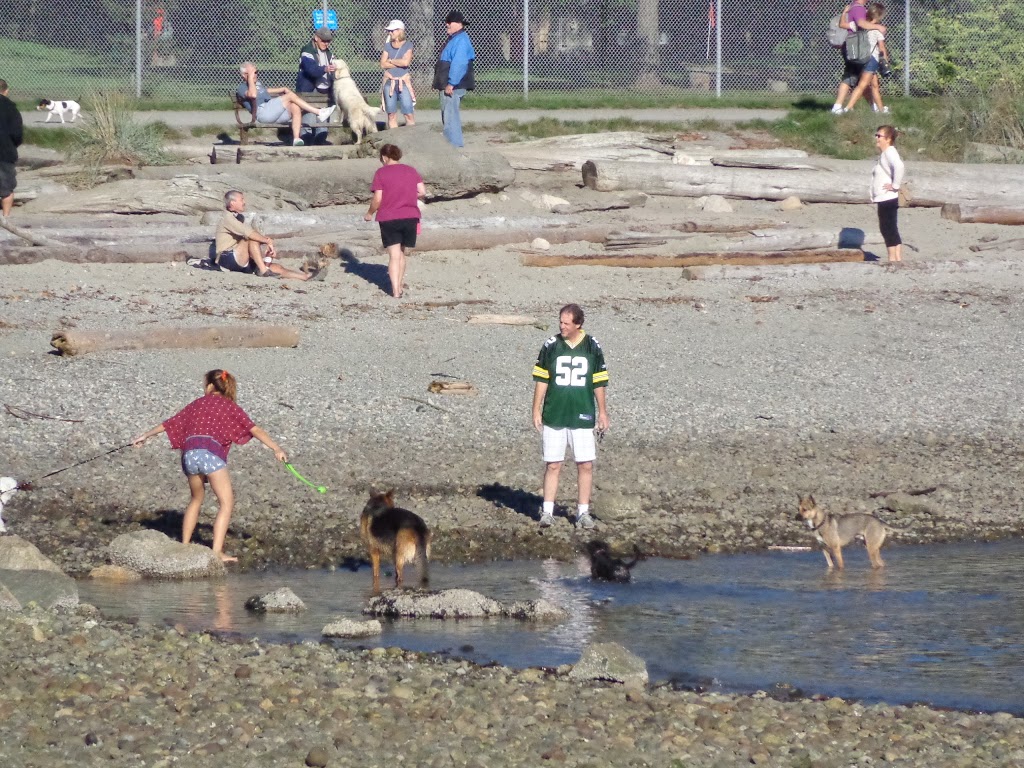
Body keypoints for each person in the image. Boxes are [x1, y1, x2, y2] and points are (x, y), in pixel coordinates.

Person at [131, 369, 287, 563]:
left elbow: (169, 423)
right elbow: (254, 429)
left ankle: (185, 545)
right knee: (226, 503)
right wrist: (276, 448)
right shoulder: (229, 406)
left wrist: (144, 436)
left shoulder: (196, 404)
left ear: (210, 386)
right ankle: (217, 552)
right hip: (210, 455)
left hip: (189, 455)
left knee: (196, 499)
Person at [531, 304, 609, 530]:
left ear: (578, 324)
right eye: (560, 322)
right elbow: (541, 379)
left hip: (582, 413)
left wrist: (603, 411)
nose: (561, 326)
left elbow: (599, 381)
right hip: (555, 413)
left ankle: (583, 512)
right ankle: (547, 511)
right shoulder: (551, 346)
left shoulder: (591, 346)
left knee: (585, 464)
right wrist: (536, 409)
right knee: (553, 464)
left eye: (566, 323)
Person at [215, 190, 322, 280]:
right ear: (232, 203)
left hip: (241, 258)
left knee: (277, 268)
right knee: (251, 238)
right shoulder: (227, 218)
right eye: (241, 199)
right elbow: (250, 234)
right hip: (227, 259)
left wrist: (265, 255)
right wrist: (268, 241)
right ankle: (263, 270)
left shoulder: (239, 217)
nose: (244, 202)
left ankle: (306, 277)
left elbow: (250, 240)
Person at [363, 143, 425, 298]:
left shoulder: (381, 173)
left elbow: (377, 199)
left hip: (389, 216)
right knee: (402, 254)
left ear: (384, 157)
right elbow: (422, 192)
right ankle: (400, 284)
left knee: (394, 255)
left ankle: (395, 290)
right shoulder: (411, 170)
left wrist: (370, 213)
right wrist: (407, 196)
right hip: (410, 215)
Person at [237, 61, 336, 147]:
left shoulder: (257, 84)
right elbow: (253, 95)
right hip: (262, 112)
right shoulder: (241, 88)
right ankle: (319, 112)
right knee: (290, 96)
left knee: (294, 106)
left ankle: (297, 139)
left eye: (256, 72)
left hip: (272, 113)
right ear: (244, 75)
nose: (255, 75)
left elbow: (265, 91)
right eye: (252, 73)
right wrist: (250, 78)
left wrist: (283, 89)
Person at [830, 0, 886, 115]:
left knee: (867, 82)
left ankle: (875, 107)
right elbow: (861, 23)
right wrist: (878, 27)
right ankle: (847, 107)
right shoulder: (860, 9)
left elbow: (843, 25)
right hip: (865, 55)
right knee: (862, 83)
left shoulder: (853, 8)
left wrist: (844, 13)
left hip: (853, 50)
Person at [433, 10, 475, 148]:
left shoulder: (461, 40)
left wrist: (452, 83)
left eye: (449, 22)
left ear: (458, 24)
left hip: (454, 86)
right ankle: (450, 144)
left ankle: (453, 146)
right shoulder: (455, 39)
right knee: (448, 115)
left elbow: (459, 63)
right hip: (449, 84)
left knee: (451, 117)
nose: (447, 25)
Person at [296, 27, 337, 145]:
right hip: (308, 90)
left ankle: (320, 141)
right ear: (316, 38)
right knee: (308, 119)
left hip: (324, 90)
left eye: (328, 41)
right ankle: (306, 142)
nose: (326, 43)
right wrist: (325, 68)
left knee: (322, 123)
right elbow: (311, 70)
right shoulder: (307, 51)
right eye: (323, 40)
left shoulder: (329, 54)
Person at [872, 125, 903, 262]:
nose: (877, 138)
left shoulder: (889, 152)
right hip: (886, 197)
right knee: (891, 226)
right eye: (876, 135)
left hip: (887, 197)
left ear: (888, 139)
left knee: (886, 227)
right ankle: (897, 258)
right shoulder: (886, 153)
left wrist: (895, 185)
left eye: (879, 136)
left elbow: (900, 166)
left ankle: (893, 258)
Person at [380, 19, 416, 129]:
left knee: (408, 113)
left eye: (392, 31)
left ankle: (411, 136)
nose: (390, 33)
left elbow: (406, 62)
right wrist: (398, 62)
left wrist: (390, 61)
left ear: (400, 31)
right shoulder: (388, 46)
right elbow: (382, 64)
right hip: (389, 82)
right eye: (389, 31)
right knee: (391, 114)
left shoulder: (408, 45)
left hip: (403, 82)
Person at [0, 79, 23, 220]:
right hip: (5, 151)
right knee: (6, 188)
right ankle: (6, 218)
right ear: (6, 91)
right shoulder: (11, 108)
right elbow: (17, 134)